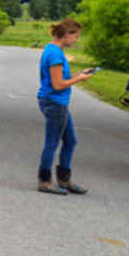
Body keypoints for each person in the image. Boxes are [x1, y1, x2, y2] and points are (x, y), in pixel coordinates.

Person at [36, 18, 95, 195]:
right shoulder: (55, 55)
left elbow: (63, 77)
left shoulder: (54, 50)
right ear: (67, 34)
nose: (76, 40)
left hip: (57, 102)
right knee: (52, 142)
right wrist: (80, 79)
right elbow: (58, 84)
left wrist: (79, 73)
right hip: (55, 102)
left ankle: (64, 179)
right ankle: (45, 181)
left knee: (70, 141)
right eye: (75, 36)